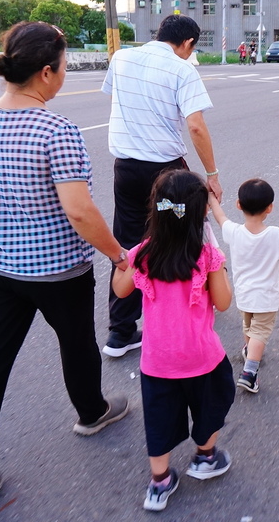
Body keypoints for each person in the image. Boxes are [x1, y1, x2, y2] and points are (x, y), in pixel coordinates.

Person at [0, 22, 130, 512]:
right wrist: (118, 254)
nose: (64, 76)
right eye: (64, 68)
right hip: (54, 270)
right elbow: (80, 212)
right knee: (75, 342)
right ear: (46, 73)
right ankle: (91, 413)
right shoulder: (57, 129)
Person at [111, 169, 234, 512]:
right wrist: (218, 269)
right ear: (201, 212)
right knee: (211, 406)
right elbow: (223, 303)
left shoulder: (145, 253)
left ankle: (160, 482)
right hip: (202, 359)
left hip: (157, 363)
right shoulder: (207, 256)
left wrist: (127, 260)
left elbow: (120, 290)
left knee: (160, 419)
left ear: (156, 209)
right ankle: (206, 458)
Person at [101, 14, 222, 358]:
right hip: (166, 176)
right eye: (191, 49)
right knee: (179, 233)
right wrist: (212, 174)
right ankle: (186, 309)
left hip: (125, 171)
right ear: (187, 43)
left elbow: (119, 101)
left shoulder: (121, 57)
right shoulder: (183, 69)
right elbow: (196, 126)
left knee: (127, 242)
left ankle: (120, 332)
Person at [207, 178, 279, 393]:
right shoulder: (275, 235)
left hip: (243, 295)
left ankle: (249, 349)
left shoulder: (234, 231)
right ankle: (250, 372)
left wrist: (211, 197)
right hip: (266, 298)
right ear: (270, 208)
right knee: (260, 331)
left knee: (249, 325)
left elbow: (220, 217)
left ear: (239, 205)